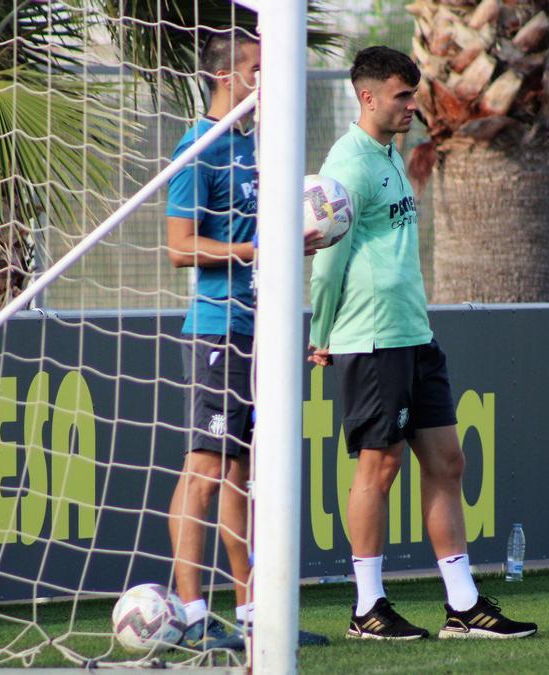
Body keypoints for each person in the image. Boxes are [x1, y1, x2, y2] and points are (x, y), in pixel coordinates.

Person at [308, 46, 539, 641]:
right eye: (401, 95)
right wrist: (322, 333)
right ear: (367, 97)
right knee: (378, 468)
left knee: (447, 461)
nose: (413, 105)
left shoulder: (391, 154)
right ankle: (367, 607)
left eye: (413, 93)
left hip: (414, 332)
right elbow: (326, 263)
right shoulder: (348, 163)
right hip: (374, 335)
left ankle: (463, 605)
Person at [165, 28, 324, 651]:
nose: (269, 78)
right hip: (217, 328)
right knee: (205, 468)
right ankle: (189, 611)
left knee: (245, 472)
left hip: (263, 328)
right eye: (260, 67)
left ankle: (254, 610)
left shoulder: (253, 144)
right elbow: (179, 247)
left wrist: (296, 239)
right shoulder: (197, 148)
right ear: (229, 75)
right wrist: (253, 249)